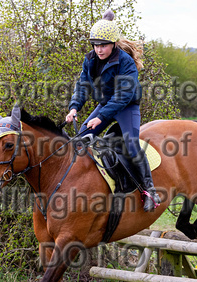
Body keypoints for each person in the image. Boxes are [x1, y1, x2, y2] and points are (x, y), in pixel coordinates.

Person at [65, 9, 161, 212]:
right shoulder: (90, 59)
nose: (99, 49)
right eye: (96, 45)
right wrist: (74, 107)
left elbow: (122, 97)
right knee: (80, 138)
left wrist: (100, 117)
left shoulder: (126, 63)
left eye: (104, 45)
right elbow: (82, 85)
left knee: (131, 144)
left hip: (126, 106)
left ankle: (150, 191)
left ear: (114, 44)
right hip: (106, 105)